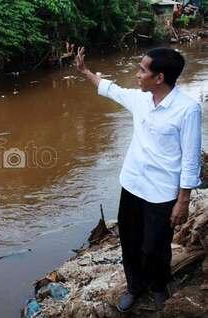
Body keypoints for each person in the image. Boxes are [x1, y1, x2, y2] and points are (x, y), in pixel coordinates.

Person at [75, 47, 202, 312]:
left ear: (159, 78)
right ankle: (135, 287)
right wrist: (86, 72)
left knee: (156, 245)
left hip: (162, 192)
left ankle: (158, 287)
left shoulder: (187, 110)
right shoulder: (140, 99)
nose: (137, 75)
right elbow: (112, 89)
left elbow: (191, 158)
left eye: (143, 70)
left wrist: (184, 200)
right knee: (130, 241)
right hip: (132, 184)